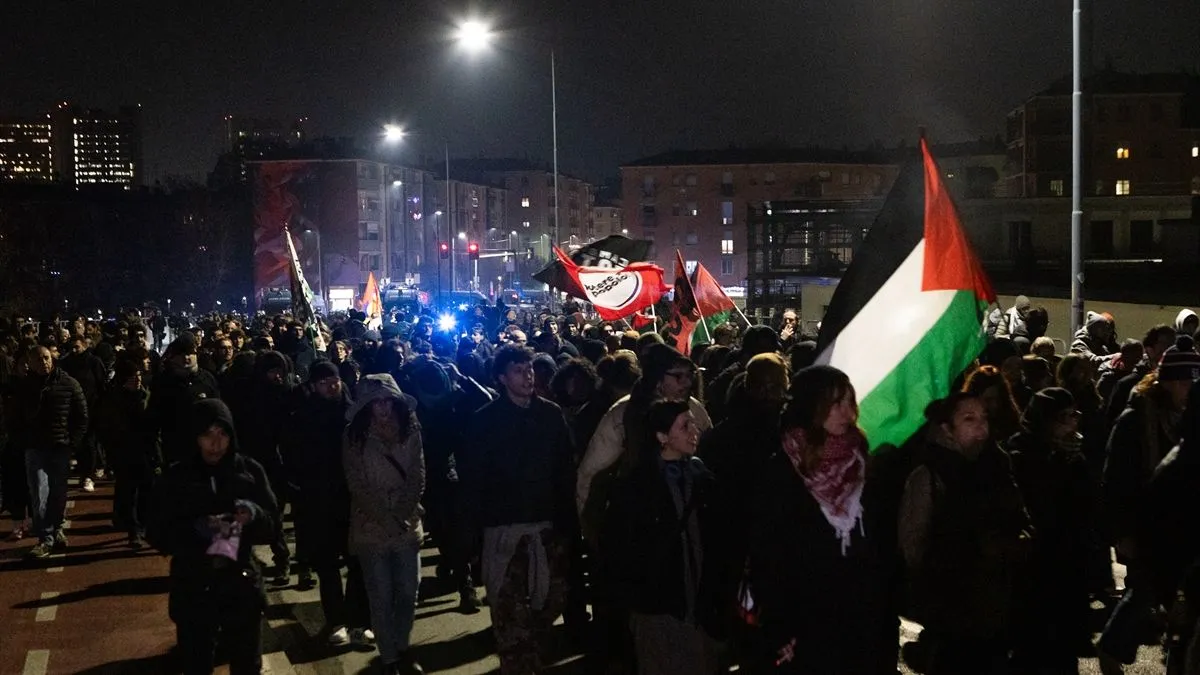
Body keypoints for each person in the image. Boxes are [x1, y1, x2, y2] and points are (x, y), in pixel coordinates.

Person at [747, 365, 895, 674]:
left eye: (848, 402)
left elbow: (881, 543)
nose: (845, 412)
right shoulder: (785, 467)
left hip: (861, 617)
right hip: (808, 621)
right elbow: (770, 554)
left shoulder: (862, 461)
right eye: (834, 403)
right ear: (811, 406)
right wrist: (779, 628)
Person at [460, 345, 575, 675]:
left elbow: (565, 470)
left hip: (546, 530)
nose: (527, 376)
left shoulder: (551, 415)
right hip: (504, 532)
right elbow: (474, 480)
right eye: (517, 370)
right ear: (501, 378)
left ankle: (532, 659)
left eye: (529, 369)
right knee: (510, 614)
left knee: (549, 602)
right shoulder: (485, 421)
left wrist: (567, 526)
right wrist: (472, 538)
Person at [899, 392, 1032, 675]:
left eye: (984, 418)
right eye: (969, 419)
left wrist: (1018, 541)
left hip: (997, 607)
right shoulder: (929, 475)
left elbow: (1020, 517)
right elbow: (914, 548)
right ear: (947, 429)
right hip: (951, 613)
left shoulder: (997, 466)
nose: (981, 428)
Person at [146, 399, 279, 675]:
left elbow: (272, 525)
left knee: (247, 662)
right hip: (194, 584)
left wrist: (253, 516)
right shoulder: (176, 477)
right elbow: (157, 531)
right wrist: (195, 529)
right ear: (195, 437)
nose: (216, 444)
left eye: (222, 434)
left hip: (240, 581)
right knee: (197, 661)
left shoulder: (249, 471)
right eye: (208, 435)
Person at [1097, 347, 1200, 673]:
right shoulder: (1135, 419)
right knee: (1145, 590)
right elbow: (1115, 478)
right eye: (1184, 381)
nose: (1190, 388)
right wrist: (1122, 531)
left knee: (1162, 596)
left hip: (1178, 523)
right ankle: (1112, 649)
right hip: (1149, 522)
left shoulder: (1187, 421)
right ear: (1166, 382)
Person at [603, 399, 720, 675]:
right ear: (662, 437)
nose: (695, 430)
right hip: (658, 606)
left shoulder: (701, 476)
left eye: (693, 422)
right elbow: (619, 548)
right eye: (685, 425)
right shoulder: (637, 486)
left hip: (698, 603)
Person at [282, 361, 373, 647]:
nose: (331, 386)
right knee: (328, 566)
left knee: (358, 562)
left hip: (353, 499)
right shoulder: (303, 417)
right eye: (323, 382)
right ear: (313, 385)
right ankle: (337, 620)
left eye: (333, 380)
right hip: (319, 502)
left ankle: (360, 621)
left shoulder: (354, 414)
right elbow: (293, 456)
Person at [343, 374, 426, 674]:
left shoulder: (410, 427)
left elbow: (417, 474)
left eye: (387, 401)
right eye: (376, 402)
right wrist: (383, 516)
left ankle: (401, 645)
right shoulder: (354, 436)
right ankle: (390, 656)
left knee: (407, 591)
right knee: (380, 594)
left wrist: (401, 514)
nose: (383, 408)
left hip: (405, 523)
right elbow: (356, 483)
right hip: (370, 527)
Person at [1006, 388, 1094, 673]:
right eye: (1064, 417)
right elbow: (1035, 505)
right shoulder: (1020, 454)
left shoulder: (1074, 454)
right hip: (1035, 568)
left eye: (1074, 415)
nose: (1072, 423)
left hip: (1067, 566)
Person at [9, 345, 88, 558]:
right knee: (39, 493)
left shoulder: (69, 383)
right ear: (30, 363)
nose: (43, 363)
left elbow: (81, 416)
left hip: (60, 447)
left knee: (59, 492)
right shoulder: (24, 389)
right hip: (35, 449)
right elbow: (13, 418)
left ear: (52, 358)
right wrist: (22, 441)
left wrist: (72, 443)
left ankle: (58, 528)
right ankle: (46, 538)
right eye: (38, 359)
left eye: (46, 358)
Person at [95, 359, 161, 548]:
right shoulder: (113, 400)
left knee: (147, 492)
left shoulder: (146, 396)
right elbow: (106, 428)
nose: (137, 380)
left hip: (147, 452)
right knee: (129, 493)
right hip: (125, 453)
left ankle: (143, 525)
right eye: (133, 377)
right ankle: (134, 530)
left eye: (139, 375)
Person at [150, 334, 221, 465]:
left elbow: (218, 411)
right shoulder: (164, 381)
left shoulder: (207, 379)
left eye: (190, 353)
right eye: (181, 354)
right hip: (176, 448)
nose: (186, 358)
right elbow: (154, 416)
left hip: (205, 447)